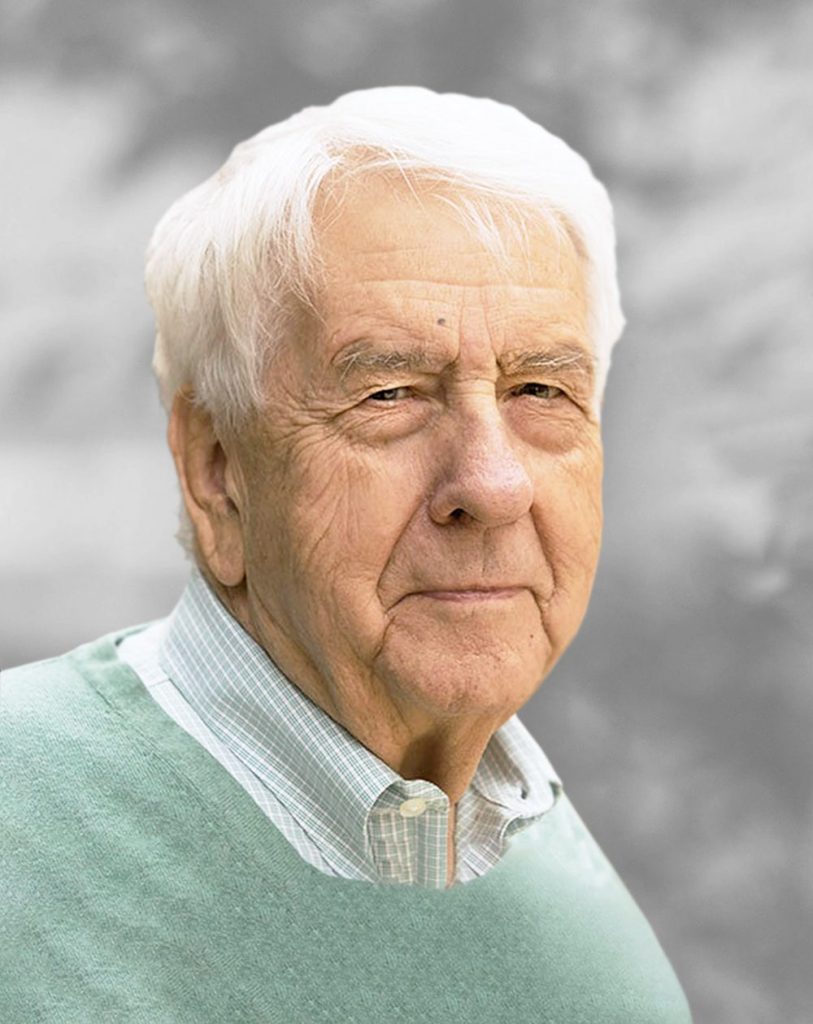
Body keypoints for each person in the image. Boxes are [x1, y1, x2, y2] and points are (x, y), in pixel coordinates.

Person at [0, 86, 693, 1022]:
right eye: (390, 395)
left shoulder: (595, 944)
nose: (492, 486)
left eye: (539, 390)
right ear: (217, 475)